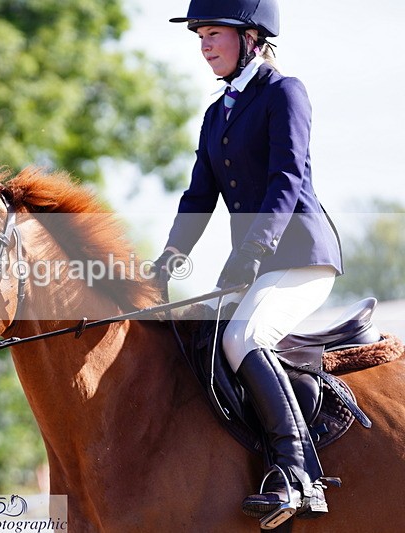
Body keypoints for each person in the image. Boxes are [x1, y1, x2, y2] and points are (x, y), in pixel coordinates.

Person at [154, 0, 343, 527]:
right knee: (196, 338)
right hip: (255, 264)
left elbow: (286, 180)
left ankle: (298, 473)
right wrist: (167, 260)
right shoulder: (217, 114)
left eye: (214, 33)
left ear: (252, 37)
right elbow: (198, 198)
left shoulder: (285, 93)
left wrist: (251, 253)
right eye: (200, 36)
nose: (204, 45)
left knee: (243, 338)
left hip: (301, 257)